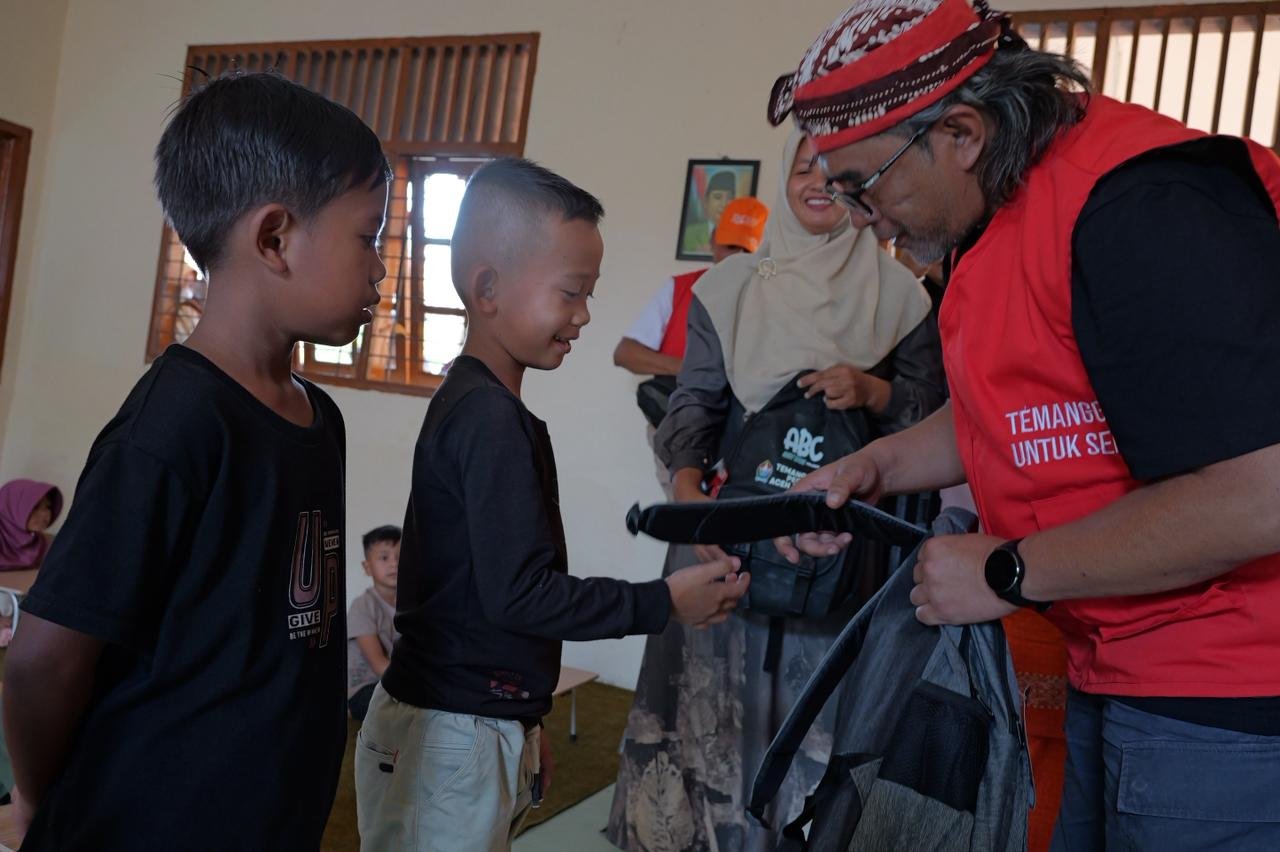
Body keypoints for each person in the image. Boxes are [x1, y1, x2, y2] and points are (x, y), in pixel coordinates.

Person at [770, 1, 1280, 849]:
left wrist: (1008, 571)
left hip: (1228, 701)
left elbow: (1259, 493)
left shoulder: (1148, 207)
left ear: (961, 134)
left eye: (863, 186)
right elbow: (1010, 407)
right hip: (1111, 661)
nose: (863, 217)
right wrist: (875, 468)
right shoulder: (996, 209)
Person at [1, 70, 389, 849]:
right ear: (275, 237)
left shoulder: (322, 418)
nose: (382, 268)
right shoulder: (173, 424)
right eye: (368, 238)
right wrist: (42, 800)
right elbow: (41, 660)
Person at [353, 158, 751, 852]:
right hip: (450, 731)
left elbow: (488, 592)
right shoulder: (488, 420)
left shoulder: (478, 402)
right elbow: (522, 595)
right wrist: (662, 601)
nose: (585, 315)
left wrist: (522, 717)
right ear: (487, 289)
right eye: (572, 293)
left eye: (589, 294)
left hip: (469, 719)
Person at [607, 131, 945, 851]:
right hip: (726, 538)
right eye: (802, 170)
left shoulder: (903, 298)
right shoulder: (726, 290)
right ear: (782, 184)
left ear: (862, 188)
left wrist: (870, 387)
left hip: (837, 553)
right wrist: (689, 500)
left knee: (808, 730)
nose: (818, 184)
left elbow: (932, 411)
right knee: (709, 729)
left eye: (836, 173)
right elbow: (693, 408)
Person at [616, 196, 769, 497]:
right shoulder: (680, 288)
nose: (735, 258)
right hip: (680, 430)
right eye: (729, 246)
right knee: (688, 524)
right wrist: (696, 371)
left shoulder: (773, 299)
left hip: (745, 435)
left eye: (745, 250)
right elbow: (625, 353)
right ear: (712, 241)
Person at [347, 524, 401, 722]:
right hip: (366, 688)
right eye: (384, 557)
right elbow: (379, 665)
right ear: (367, 567)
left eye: (400, 556)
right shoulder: (362, 607)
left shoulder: (414, 606)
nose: (394, 564)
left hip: (400, 681)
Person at [0, 480, 62, 572]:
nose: (45, 514)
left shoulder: (41, 545)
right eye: (35, 507)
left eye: (48, 507)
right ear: (10, 507)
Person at [682, 170, 737, 254]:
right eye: (717, 197)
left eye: (729, 198)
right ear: (706, 202)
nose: (724, 204)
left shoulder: (740, 237)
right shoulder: (690, 232)